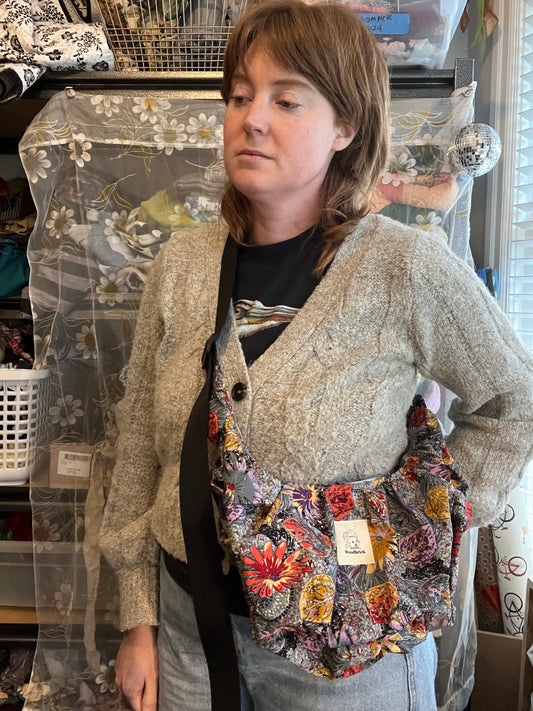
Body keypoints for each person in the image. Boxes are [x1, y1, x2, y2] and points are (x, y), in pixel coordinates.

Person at [99, 2, 533, 710]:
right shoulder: (182, 265)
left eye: (286, 99)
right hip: (189, 633)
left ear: (345, 127)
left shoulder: (405, 268)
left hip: (347, 656)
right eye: (240, 96)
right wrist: (137, 620)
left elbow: (516, 399)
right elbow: (140, 440)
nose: (252, 119)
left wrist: (436, 520)